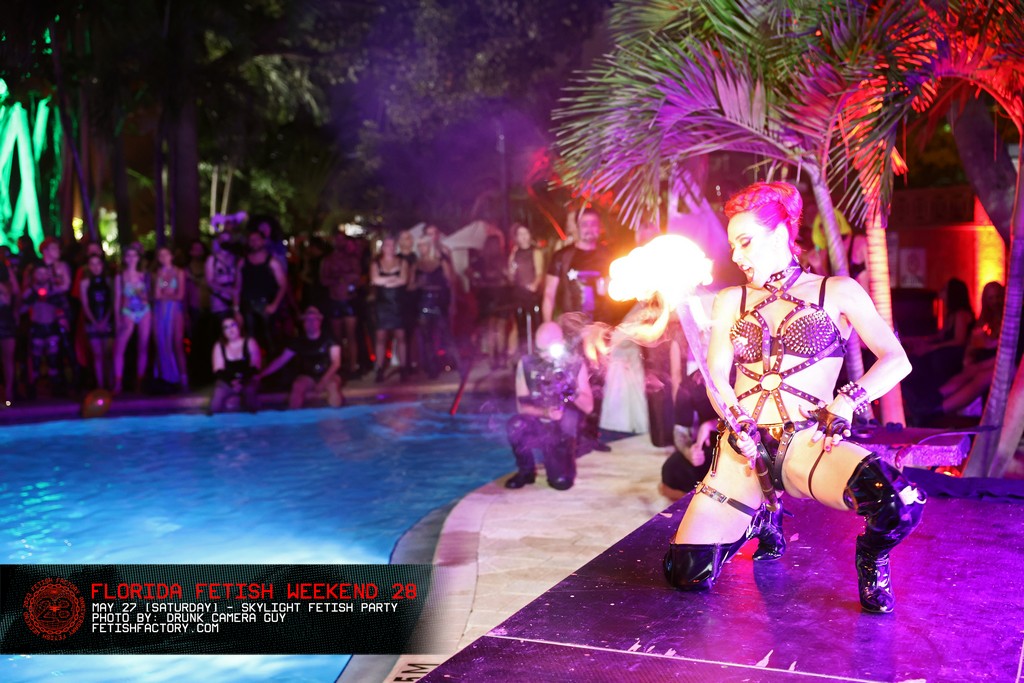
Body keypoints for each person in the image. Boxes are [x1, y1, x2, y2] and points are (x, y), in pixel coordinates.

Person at [663, 181, 926, 614]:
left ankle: (871, 559)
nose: (736, 255)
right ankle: (759, 518)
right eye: (733, 245)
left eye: (745, 241)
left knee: (900, 504)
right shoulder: (731, 300)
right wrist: (735, 418)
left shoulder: (836, 291)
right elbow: (716, 379)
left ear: (781, 233)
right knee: (686, 574)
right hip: (742, 453)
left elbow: (896, 360)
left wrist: (847, 402)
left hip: (808, 445)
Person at [505, 321, 594, 491]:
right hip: (538, 422)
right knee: (516, 425)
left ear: (561, 344)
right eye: (540, 350)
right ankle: (526, 471)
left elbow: (588, 407)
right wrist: (546, 412)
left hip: (563, 429)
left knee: (561, 483)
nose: (544, 355)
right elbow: (521, 407)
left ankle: (562, 460)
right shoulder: (527, 363)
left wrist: (570, 390)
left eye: (549, 349)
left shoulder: (575, 363)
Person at [935, 281, 1004, 416]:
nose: (995, 301)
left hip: (996, 358)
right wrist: (968, 358)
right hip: (982, 356)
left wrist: (989, 344)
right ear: (985, 300)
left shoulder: (1008, 320)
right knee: (965, 372)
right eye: (991, 298)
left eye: (997, 297)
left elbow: (1005, 347)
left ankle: (938, 408)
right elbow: (972, 344)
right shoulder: (984, 319)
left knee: (974, 373)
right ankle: (933, 401)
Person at [256, 306, 343, 409]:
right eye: (308, 320)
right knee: (297, 386)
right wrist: (261, 375)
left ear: (319, 322)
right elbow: (280, 361)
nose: (311, 323)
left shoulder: (330, 339)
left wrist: (323, 381)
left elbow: (336, 363)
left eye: (313, 320)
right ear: (304, 323)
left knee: (333, 386)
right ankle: (295, 415)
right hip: (308, 376)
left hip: (328, 374)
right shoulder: (298, 341)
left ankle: (336, 415)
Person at [541, 208, 611, 325]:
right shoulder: (562, 256)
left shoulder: (609, 255)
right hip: (572, 327)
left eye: (593, 224)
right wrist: (548, 325)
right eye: (585, 224)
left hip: (602, 326)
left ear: (599, 227)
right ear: (577, 227)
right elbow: (549, 294)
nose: (589, 229)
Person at [240, 226, 288, 358]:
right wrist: (236, 308)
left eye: (257, 239)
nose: (254, 242)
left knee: (269, 339)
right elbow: (237, 286)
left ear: (263, 241)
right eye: (251, 240)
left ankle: (273, 366)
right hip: (247, 305)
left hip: (266, 305)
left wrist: (274, 305)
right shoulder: (243, 262)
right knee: (250, 339)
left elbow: (283, 285)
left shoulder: (272, 262)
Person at [321, 233, 363, 377]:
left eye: (342, 240)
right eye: (337, 239)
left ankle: (353, 366)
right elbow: (323, 280)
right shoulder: (328, 260)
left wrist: (348, 281)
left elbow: (358, 278)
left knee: (351, 335)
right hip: (335, 300)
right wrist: (340, 279)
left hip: (349, 300)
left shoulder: (352, 260)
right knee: (337, 337)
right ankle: (339, 365)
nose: (339, 242)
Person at [112, 245, 151, 394]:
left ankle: (140, 381)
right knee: (120, 347)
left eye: (134, 255)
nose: (131, 258)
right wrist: (117, 319)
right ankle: (118, 382)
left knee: (143, 346)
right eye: (128, 255)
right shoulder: (120, 277)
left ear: (138, 257)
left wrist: (143, 296)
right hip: (127, 311)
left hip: (144, 310)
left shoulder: (144, 275)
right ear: (124, 258)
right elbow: (117, 299)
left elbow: (150, 296)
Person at [468, 230, 510, 369]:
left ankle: (492, 359)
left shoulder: (481, 260)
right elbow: (509, 276)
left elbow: (468, 271)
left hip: (486, 295)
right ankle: (501, 358)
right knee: (500, 327)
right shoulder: (502, 260)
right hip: (502, 295)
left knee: (490, 329)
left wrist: (477, 281)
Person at [370, 235, 409, 382]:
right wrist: (393, 279)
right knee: (381, 337)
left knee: (401, 337)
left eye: (392, 245)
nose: (390, 248)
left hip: (398, 304)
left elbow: (403, 280)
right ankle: (380, 369)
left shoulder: (402, 262)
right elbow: (375, 280)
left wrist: (385, 282)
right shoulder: (376, 263)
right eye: (387, 245)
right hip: (383, 305)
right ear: (383, 247)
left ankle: (403, 368)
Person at [209, 315, 261, 414]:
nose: (230, 330)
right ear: (223, 332)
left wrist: (241, 381)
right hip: (227, 381)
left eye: (233, 325)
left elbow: (255, 366)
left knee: (252, 401)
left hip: (247, 379)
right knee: (215, 405)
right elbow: (217, 369)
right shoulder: (219, 345)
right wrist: (232, 382)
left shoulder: (250, 342)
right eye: (226, 327)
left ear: (239, 327)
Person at [153, 246, 188, 390]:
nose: (163, 258)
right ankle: (166, 377)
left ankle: (183, 377)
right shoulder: (159, 273)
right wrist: (168, 293)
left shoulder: (179, 272)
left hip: (175, 310)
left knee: (177, 343)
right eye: (160, 255)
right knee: (162, 342)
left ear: (172, 256)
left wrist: (166, 294)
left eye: (166, 254)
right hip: (161, 309)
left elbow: (180, 295)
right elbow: (157, 295)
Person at [79, 253, 114, 390]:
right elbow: (85, 304)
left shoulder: (109, 280)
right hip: (92, 321)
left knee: (108, 355)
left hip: (108, 320)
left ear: (102, 265)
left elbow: (112, 302)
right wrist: (94, 322)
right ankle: (100, 386)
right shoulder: (85, 282)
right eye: (92, 264)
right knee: (97, 355)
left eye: (98, 263)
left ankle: (110, 384)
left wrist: (105, 320)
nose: (95, 267)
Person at [508, 223, 545, 356]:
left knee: (536, 323)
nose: (523, 237)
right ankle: (524, 355)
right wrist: (511, 270)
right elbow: (511, 276)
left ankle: (539, 353)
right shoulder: (514, 253)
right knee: (520, 326)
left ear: (530, 235)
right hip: (519, 294)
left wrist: (534, 284)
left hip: (533, 295)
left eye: (525, 233)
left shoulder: (535, 252)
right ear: (516, 237)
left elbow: (539, 273)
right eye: (520, 234)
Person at [0, 247, 20, 404]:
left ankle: (8, 393)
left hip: (5, 317)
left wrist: (16, 312)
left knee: (8, 357)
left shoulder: (5, 270)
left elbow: (15, 292)